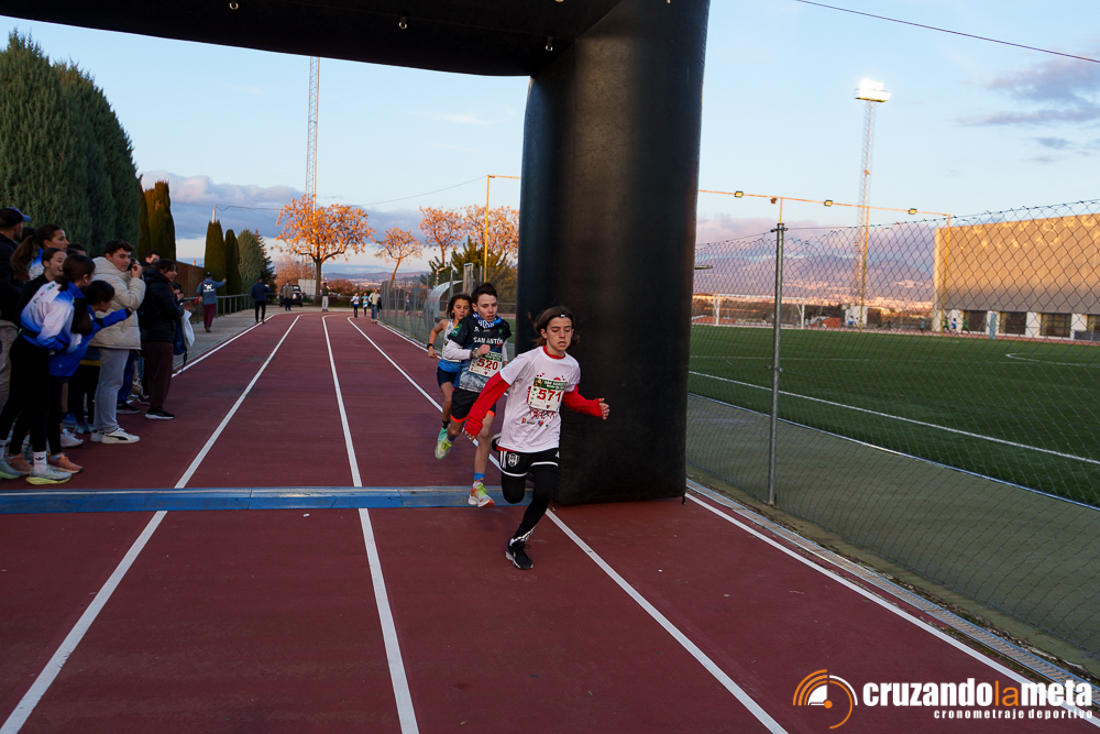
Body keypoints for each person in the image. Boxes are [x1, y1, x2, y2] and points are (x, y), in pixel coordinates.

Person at [463, 306, 610, 570]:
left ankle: (516, 543)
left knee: (544, 493)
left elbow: (569, 397)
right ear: (544, 333)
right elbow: (494, 386)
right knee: (513, 496)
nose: (562, 335)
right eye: (556, 330)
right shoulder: (528, 360)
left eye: (567, 330)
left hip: (547, 438)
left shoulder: (571, 366)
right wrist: (474, 420)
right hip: (517, 439)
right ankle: (499, 443)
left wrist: (591, 407)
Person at [0, 255, 99, 484]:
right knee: (40, 408)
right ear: (85, 278)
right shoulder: (63, 303)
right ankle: (40, 468)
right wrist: (63, 345)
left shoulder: (50, 285)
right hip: (35, 352)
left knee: (15, 402)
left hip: (22, 345)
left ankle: (6, 455)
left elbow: (25, 315)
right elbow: (46, 339)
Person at [434, 282, 511, 508]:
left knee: (484, 433)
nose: (491, 309)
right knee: (456, 429)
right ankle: (448, 438)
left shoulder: (503, 326)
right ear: (475, 307)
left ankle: (477, 487)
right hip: (465, 387)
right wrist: (474, 353)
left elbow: (502, 349)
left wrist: (506, 365)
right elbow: (449, 351)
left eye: (494, 305)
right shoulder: (467, 324)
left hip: (487, 391)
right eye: (485, 306)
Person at [88, 241, 145, 445]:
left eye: (128, 256)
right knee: (111, 383)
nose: (126, 261)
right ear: (108, 257)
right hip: (114, 337)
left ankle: (100, 428)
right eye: (121, 256)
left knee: (105, 383)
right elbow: (132, 302)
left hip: (114, 335)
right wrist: (136, 279)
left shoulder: (113, 275)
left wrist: (130, 277)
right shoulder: (109, 277)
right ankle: (109, 429)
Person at [140, 259, 185, 420]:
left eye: (175, 270)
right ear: (161, 271)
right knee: (162, 373)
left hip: (148, 334)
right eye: (171, 270)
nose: (174, 273)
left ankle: (153, 401)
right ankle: (155, 407)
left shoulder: (148, 284)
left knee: (153, 372)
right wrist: (181, 308)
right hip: (160, 335)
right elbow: (172, 311)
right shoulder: (161, 286)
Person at [426, 293, 472, 441]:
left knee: (462, 405)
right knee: (449, 400)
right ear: (452, 309)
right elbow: (434, 331)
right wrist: (430, 347)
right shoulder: (446, 324)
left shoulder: (472, 328)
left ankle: (454, 430)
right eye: (458, 307)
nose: (462, 311)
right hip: (445, 370)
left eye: (465, 308)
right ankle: (444, 427)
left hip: (463, 371)